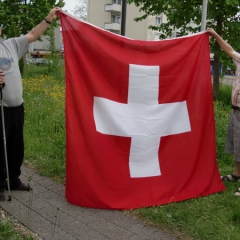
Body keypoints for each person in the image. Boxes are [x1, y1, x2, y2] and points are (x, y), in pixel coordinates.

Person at [0, 7, 61, 202]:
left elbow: (33, 34)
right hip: (0, 108)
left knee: (16, 146)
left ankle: (14, 179)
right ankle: (0, 184)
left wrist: (48, 19)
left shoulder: (10, 44)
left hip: (17, 106)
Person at [207, 28, 240, 196]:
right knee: (236, 144)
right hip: (236, 109)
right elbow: (230, 50)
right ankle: (236, 174)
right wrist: (215, 35)